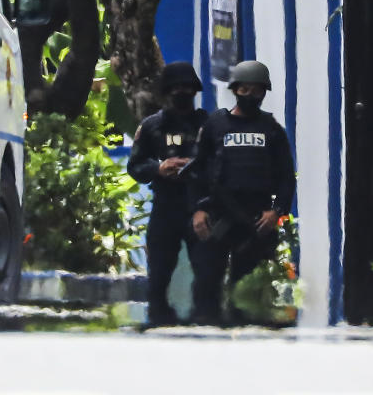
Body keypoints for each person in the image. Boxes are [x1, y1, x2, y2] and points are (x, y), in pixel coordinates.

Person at [189, 60, 296, 325]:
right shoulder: (215, 126)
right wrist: (199, 209)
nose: (249, 96)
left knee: (245, 287)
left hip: (256, 218)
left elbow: (285, 177)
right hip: (218, 214)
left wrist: (277, 212)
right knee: (207, 280)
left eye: (256, 91)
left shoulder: (272, 129)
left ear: (264, 93)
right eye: (244, 90)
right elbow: (197, 171)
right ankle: (206, 330)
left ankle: (243, 330)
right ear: (235, 90)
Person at [127, 61, 208, 326]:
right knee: (159, 273)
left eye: (187, 88)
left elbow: (224, 162)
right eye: (176, 88)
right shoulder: (152, 126)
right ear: (166, 91)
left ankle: (206, 320)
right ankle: (158, 321)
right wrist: (159, 168)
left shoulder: (209, 125)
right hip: (166, 207)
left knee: (208, 273)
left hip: (201, 206)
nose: (182, 93)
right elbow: (135, 166)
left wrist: (196, 168)